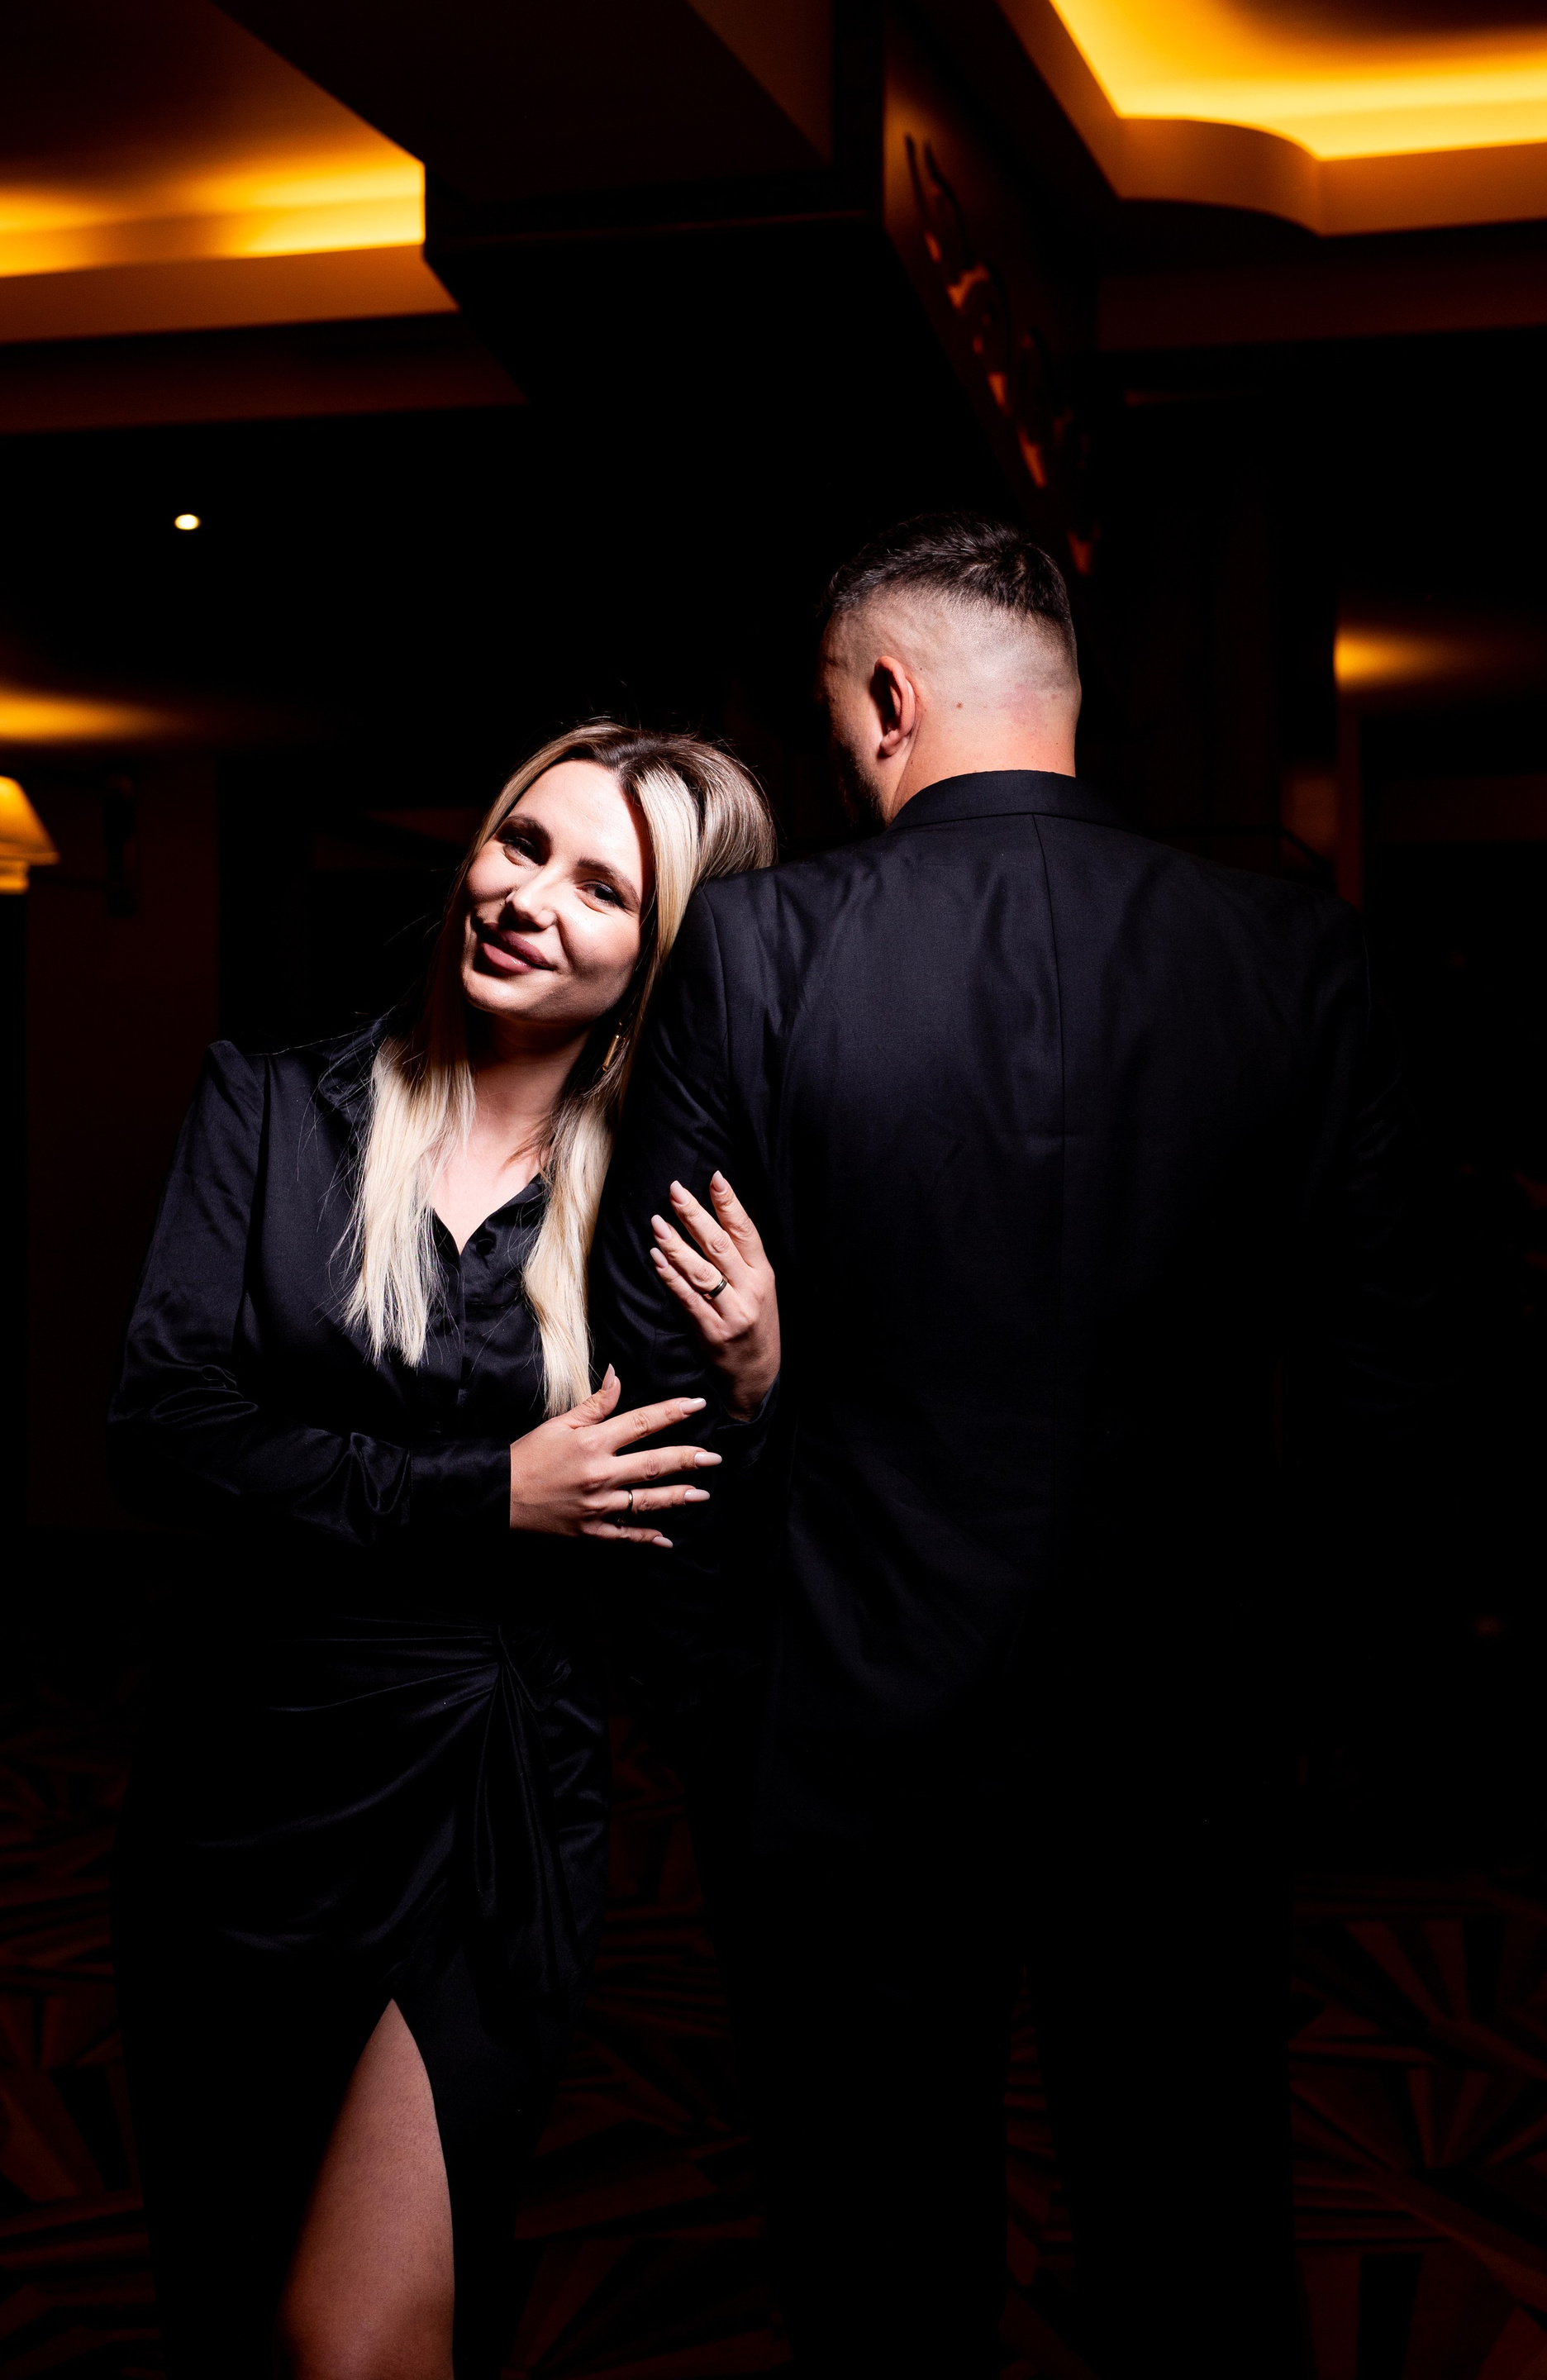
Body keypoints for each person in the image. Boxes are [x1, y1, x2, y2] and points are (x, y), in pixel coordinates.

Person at [590, 514, 1435, 2377]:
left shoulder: (760, 945)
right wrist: (1313, 1692)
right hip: (1191, 1718)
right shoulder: (1299, 952)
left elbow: (660, 1377)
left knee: (882, 2269)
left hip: (856, 1720)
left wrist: (726, 1709)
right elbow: (1385, 1380)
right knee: (1198, 2239)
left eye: (839, 717)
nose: (844, 754)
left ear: (890, 700)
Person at [107, 724, 774, 2380]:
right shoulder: (270, 1105)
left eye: (601, 887)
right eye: (520, 844)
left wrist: (760, 1394)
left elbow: (710, 1593)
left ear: (657, 959)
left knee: (354, 2340)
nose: (528, 895)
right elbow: (166, 1431)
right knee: (228, 2305)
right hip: (243, 1788)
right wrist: (486, 1494)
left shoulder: (669, 1213)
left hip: (495, 1792)